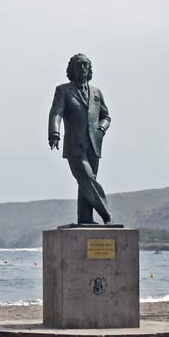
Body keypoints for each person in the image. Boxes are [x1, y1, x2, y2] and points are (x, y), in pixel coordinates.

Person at [48, 54, 112, 225]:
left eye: (86, 65)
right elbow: (56, 113)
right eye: (79, 65)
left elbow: (106, 116)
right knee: (86, 178)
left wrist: (102, 128)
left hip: (95, 144)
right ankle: (106, 214)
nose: (83, 68)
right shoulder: (63, 90)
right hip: (74, 145)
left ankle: (85, 218)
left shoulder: (97, 92)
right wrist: (54, 134)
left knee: (85, 184)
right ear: (72, 69)